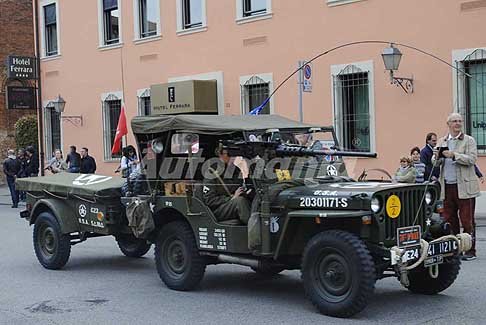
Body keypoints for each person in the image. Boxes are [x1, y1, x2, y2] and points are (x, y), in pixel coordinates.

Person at [432, 113, 480, 261]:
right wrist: (436, 157)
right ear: (448, 124)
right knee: (449, 219)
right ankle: (455, 249)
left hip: (464, 187)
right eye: (454, 121)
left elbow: (472, 159)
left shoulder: (468, 140)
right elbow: (435, 163)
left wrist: (454, 155)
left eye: (459, 121)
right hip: (447, 186)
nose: (457, 123)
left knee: (467, 220)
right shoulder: (442, 140)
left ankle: (470, 250)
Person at [202, 145, 251, 224]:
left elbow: (239, 187)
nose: (233, 158)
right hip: (218, 210)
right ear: (220, 155)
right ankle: (254, 231)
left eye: (234, 155)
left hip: (232, 205)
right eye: (229, 154)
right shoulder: (212, 172)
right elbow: (209, 200)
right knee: (240, 202)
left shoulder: (235, 171)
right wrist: (231, 198)